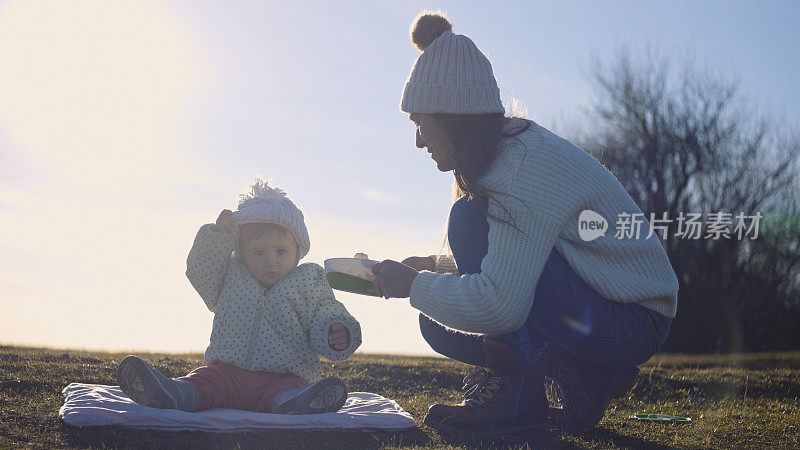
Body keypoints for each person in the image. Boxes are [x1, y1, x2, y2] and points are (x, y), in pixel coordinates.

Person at [371, 12, 677, 439]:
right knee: (434, 319)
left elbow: (502, 305)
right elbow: (522, 261)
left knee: (464, 224)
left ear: (450, 117)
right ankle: (584, 376)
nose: (419, 140)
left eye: (420, 122)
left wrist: (413, 285)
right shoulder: (508, 156)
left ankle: (519, 397)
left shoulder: (522, 170)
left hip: (631, 320)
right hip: (608, 308)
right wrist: (432, 270)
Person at [116, 178, 362, 414]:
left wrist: (335, 333)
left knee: (290, 390)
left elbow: (327, 312)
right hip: (225, 373)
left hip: (283, 376)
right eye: (259, 252)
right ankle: (172, 394)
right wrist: (218, 237)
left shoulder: (309, 282)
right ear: (242, 252)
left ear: (298, 251)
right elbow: (201, 271)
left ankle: (298, 403)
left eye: (281, 251)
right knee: (201, 382)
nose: (271, 261)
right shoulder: (229, 274)